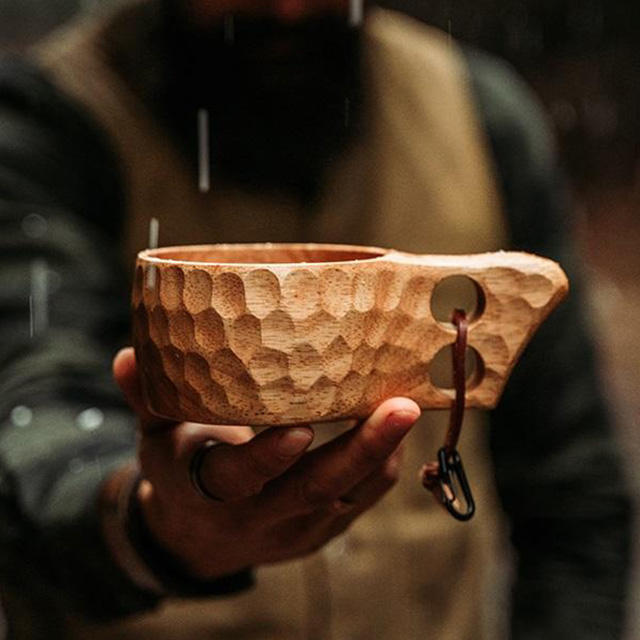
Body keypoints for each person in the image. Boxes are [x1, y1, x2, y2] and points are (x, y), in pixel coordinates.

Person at [0, 0, 632, 638]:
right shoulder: (45, 122)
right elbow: (31, 416)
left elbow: (574, 494)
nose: (288, 9)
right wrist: (147, 526)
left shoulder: (479, 113)